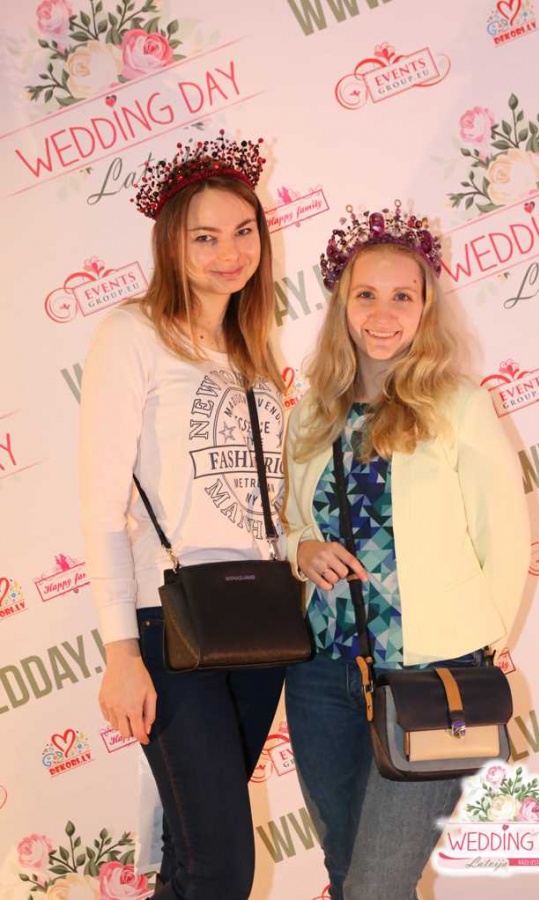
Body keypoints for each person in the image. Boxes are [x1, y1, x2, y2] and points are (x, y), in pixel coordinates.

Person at [283, 202, 530, 899]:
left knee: (377, 886)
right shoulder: (310, 412)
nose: (383, 314)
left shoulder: (458, 405)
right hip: (321, 676)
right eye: (366, 295)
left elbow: (505, 535)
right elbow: (287, 521)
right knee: (346, 874)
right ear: (342, 306)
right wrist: (300, 548)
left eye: (402, 296)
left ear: (426, 308)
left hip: (428, 678)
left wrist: (478, 646)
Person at [79, 133, 286, 899]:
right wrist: (120, 651)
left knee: (194, 857)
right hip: (167, 621)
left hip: (258, 619)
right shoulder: (132, 334)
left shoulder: (249, 348)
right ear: (172, 244)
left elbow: (264, 500)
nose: (229, 253)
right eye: (205, 237)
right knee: (221, 868)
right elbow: (101, 504)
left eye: (243, 232)